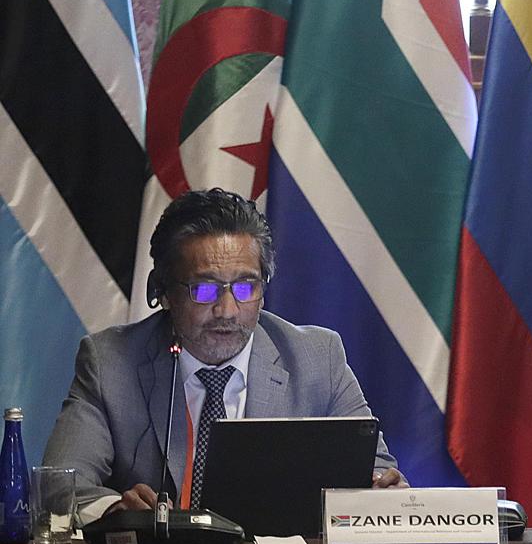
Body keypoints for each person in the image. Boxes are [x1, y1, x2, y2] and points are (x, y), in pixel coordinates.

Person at [42, 189, 402, 522]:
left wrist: (377, 494)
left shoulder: (317, 359)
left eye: (246, 287)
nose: (227, 310)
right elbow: (58, 486)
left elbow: (380, 475)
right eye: (204, 288)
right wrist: (116, 510)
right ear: (163, 292)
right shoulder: (110, 362)